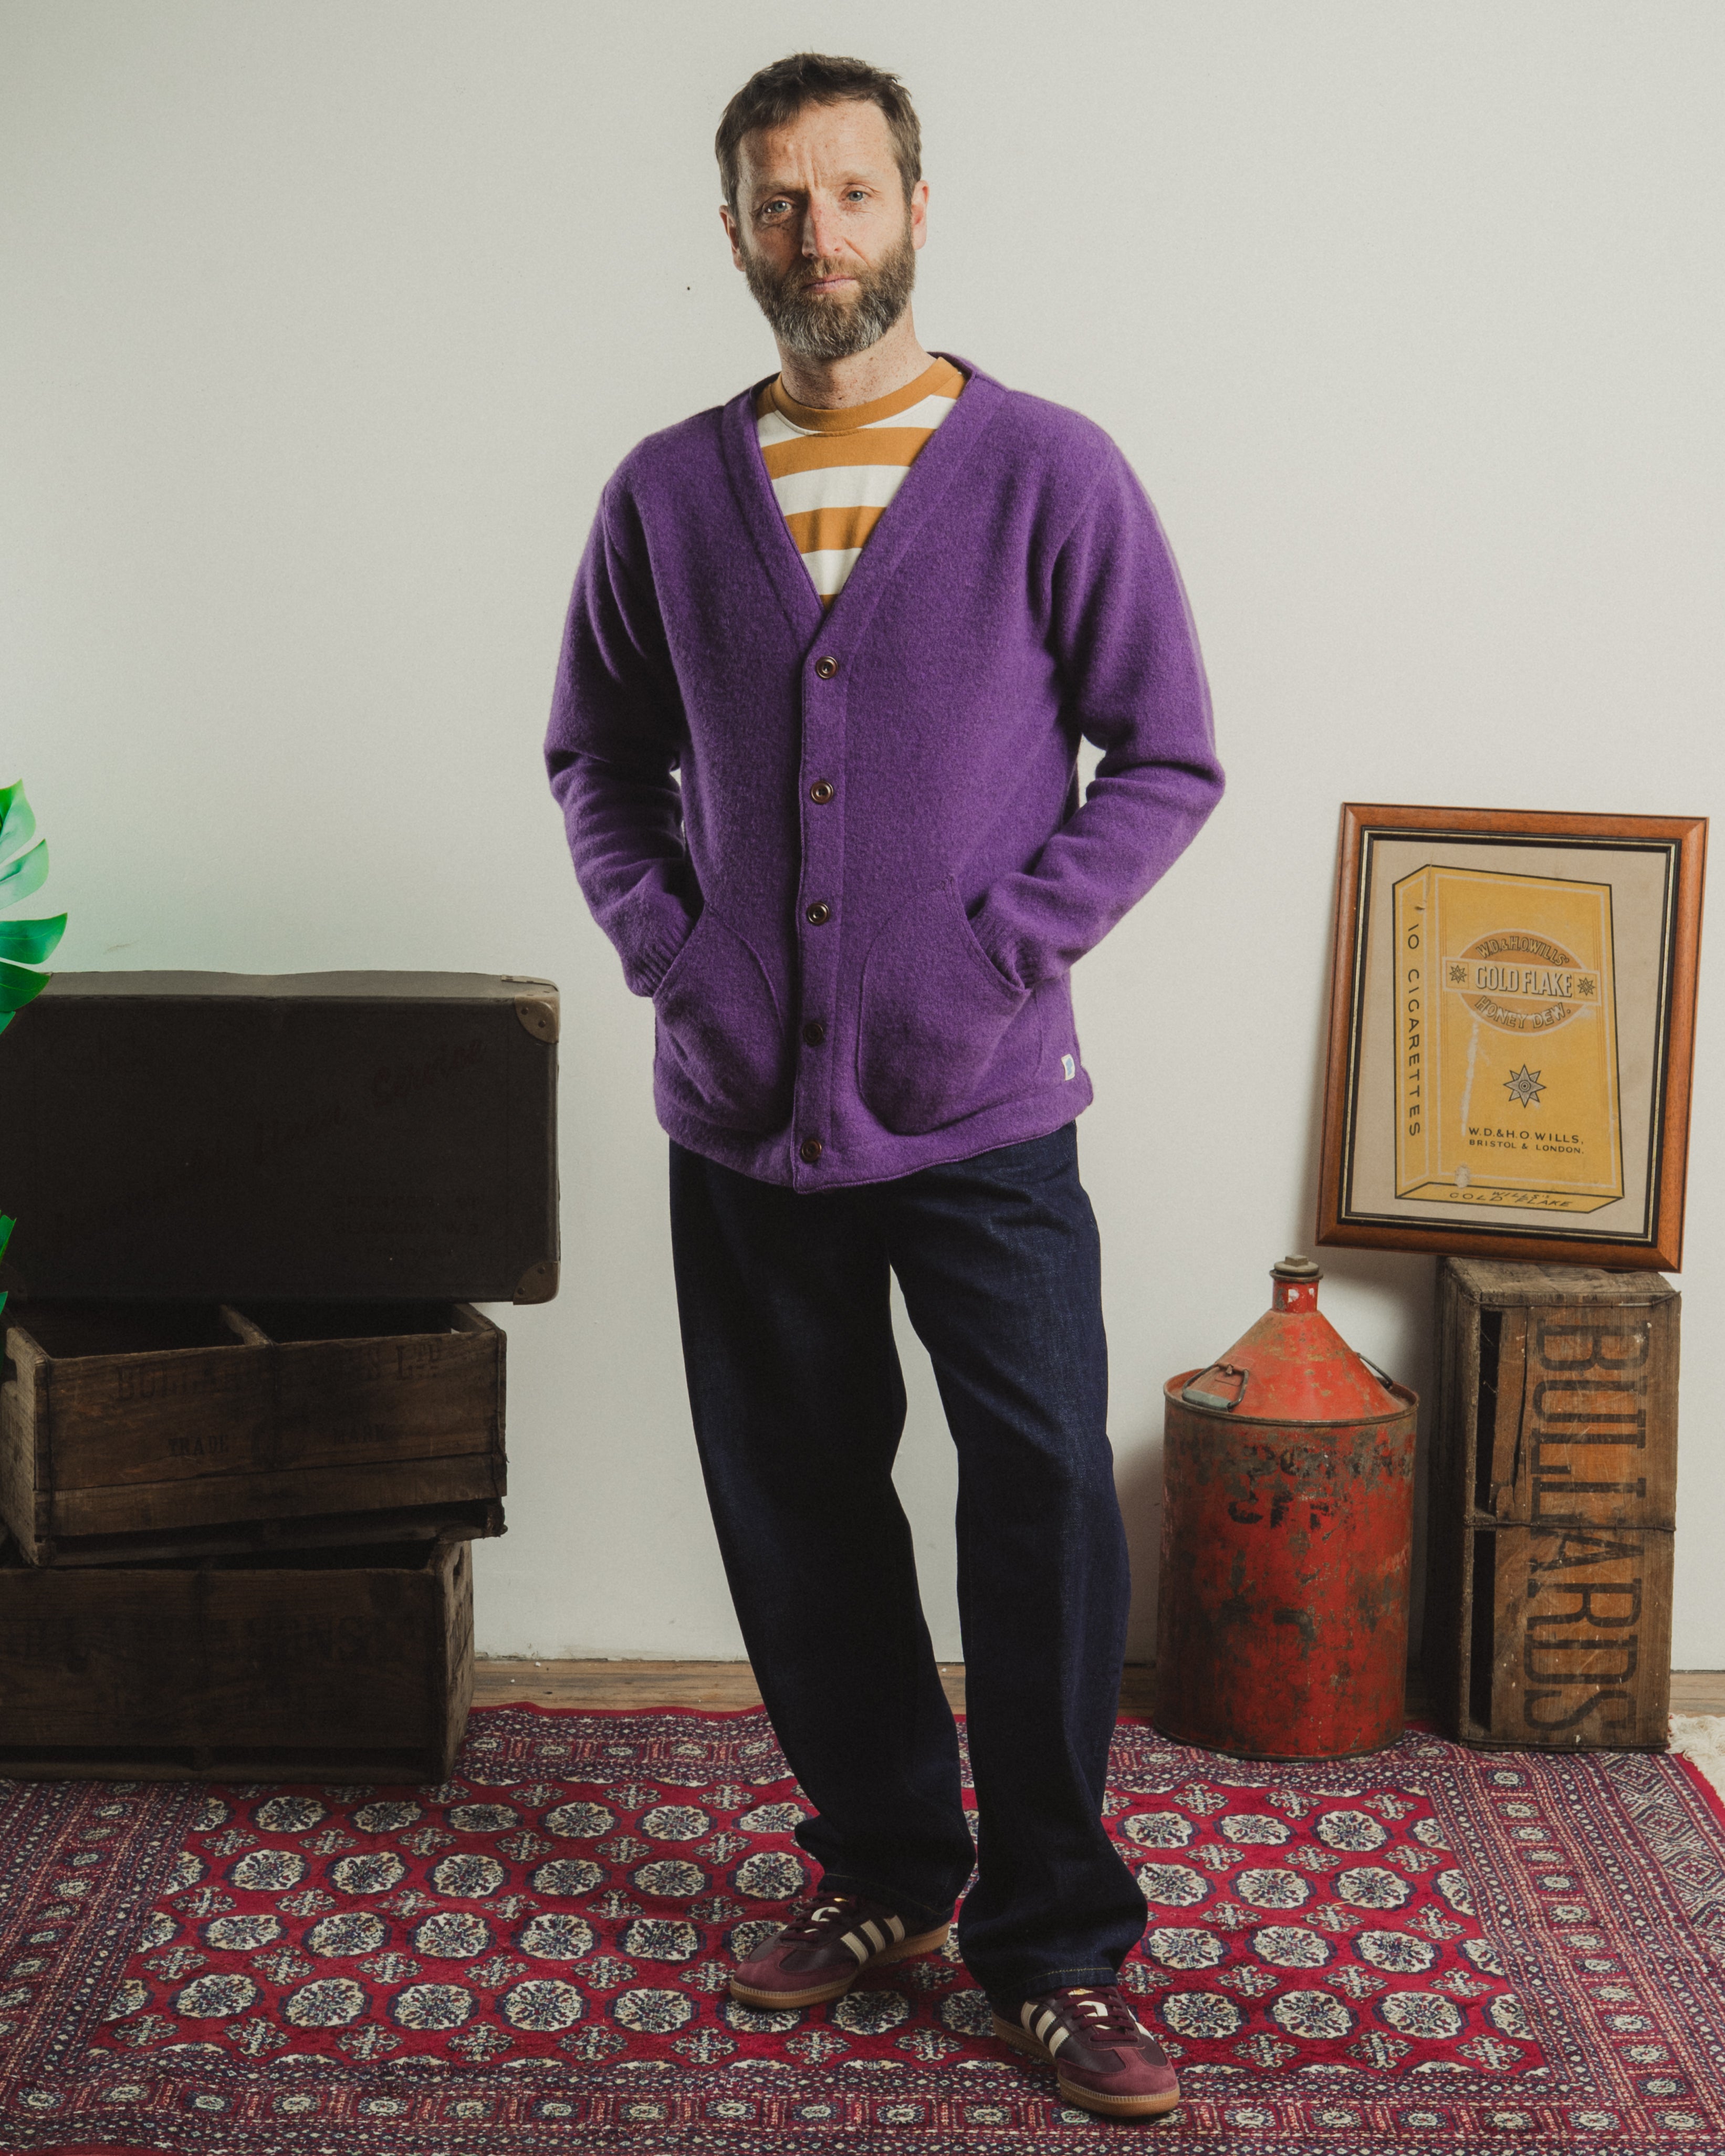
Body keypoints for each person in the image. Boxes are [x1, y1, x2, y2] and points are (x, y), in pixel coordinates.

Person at [544, 50, 1223, 2121]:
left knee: (1038, 1507)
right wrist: (681, 955)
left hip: (989, 1099)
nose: (816, 233)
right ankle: (885, 1873)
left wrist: (1003, 945)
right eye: (777, 199)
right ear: (736, 232)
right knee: (801, 1502)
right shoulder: (667, 494)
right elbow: (598, 759)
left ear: (919, 208)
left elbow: (1170, 756)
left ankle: (1057, 1939)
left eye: (850, 192)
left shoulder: (1048, 471)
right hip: (745, 1109)